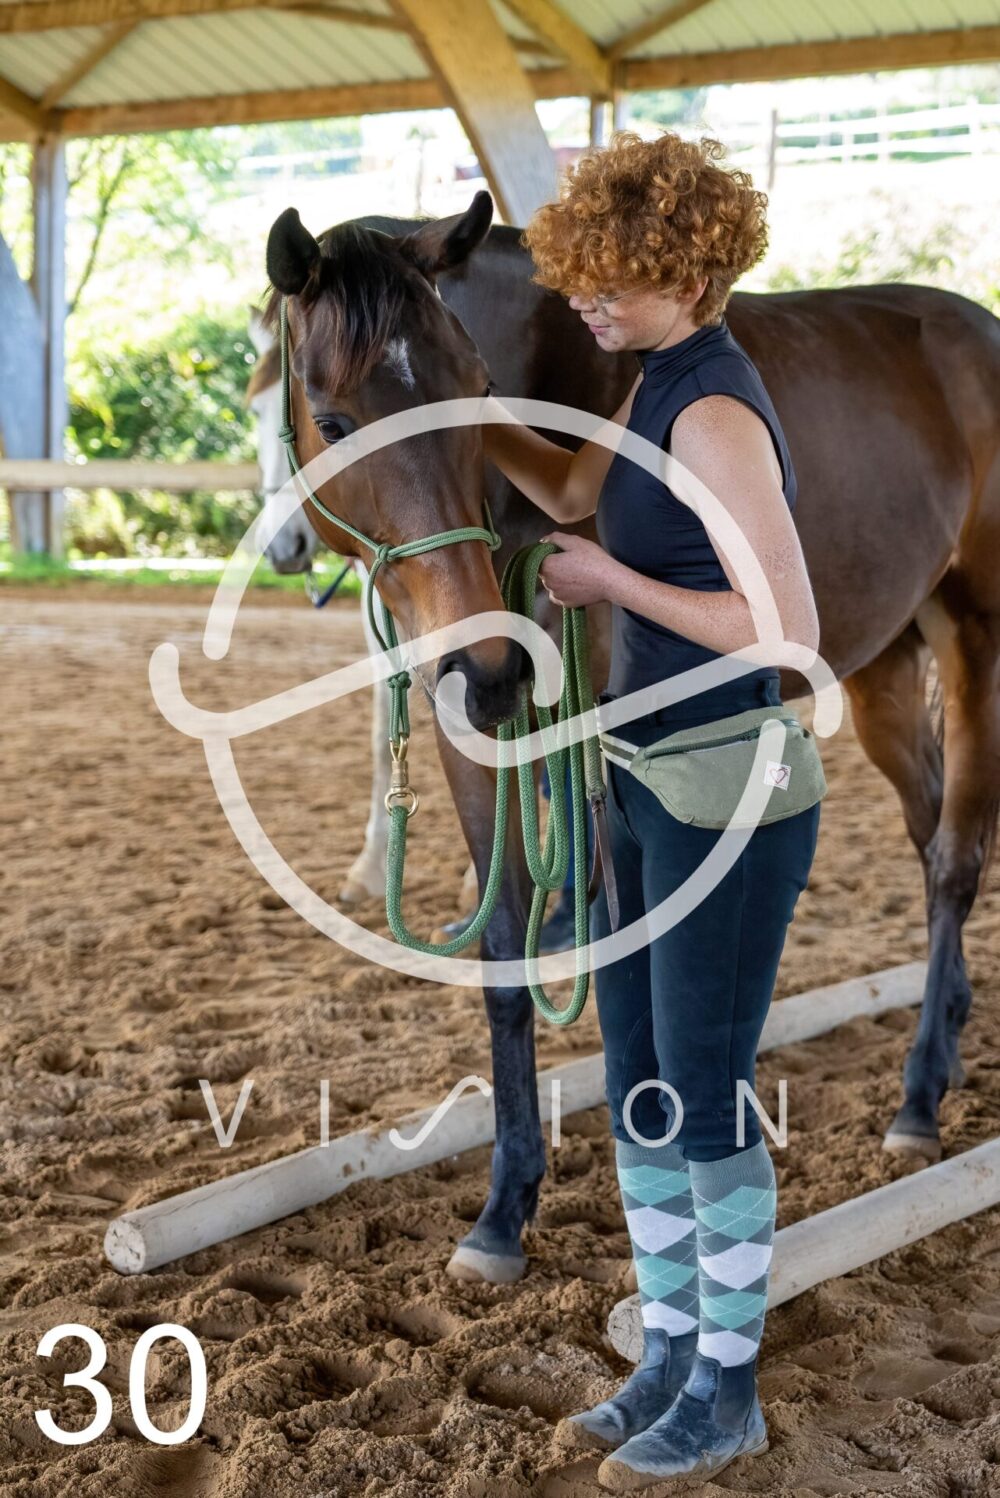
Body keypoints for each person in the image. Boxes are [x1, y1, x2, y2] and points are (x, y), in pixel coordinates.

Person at [483, 131, 821, 1491]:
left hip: (727, 786)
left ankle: (728, 1391)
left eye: (610, 280)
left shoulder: (715, 409)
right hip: (643, 774)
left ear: (685, 276)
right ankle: (672, 1351)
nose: (585, 300)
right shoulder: (652, 383)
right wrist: (462, 410)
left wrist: (610, 586)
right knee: (637, 1082)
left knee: (705, 1090)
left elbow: (786, 629)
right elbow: (577, 493)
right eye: (580, 275)